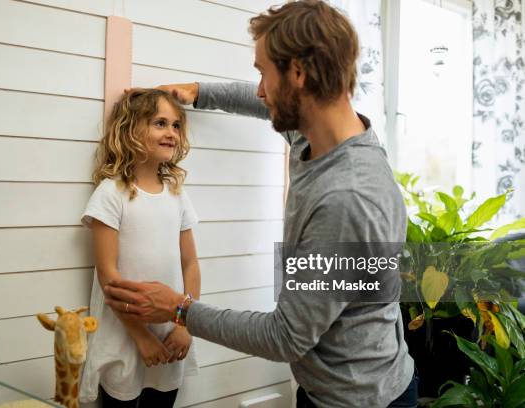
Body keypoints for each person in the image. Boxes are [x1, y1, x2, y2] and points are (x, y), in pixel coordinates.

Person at [104, 1, 417, 407]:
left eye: (263, 73)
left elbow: (285, 337)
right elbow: (264, 105)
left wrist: (179, 309)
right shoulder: (318, 137)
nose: (259, 90)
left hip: (357, 399)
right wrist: (197, 93)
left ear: (299, 75)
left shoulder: (347, 198)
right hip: (333, 386)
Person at [78, 88, 200, 408]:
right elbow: (108, 276)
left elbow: (191, 264)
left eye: (176, 125)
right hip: (124, 333)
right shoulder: (111, 193)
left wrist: (186, 324)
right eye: (160, 123)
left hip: (171, 331)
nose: (171, 133)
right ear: (131, 129)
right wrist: (141, 336)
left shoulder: (177, 194)